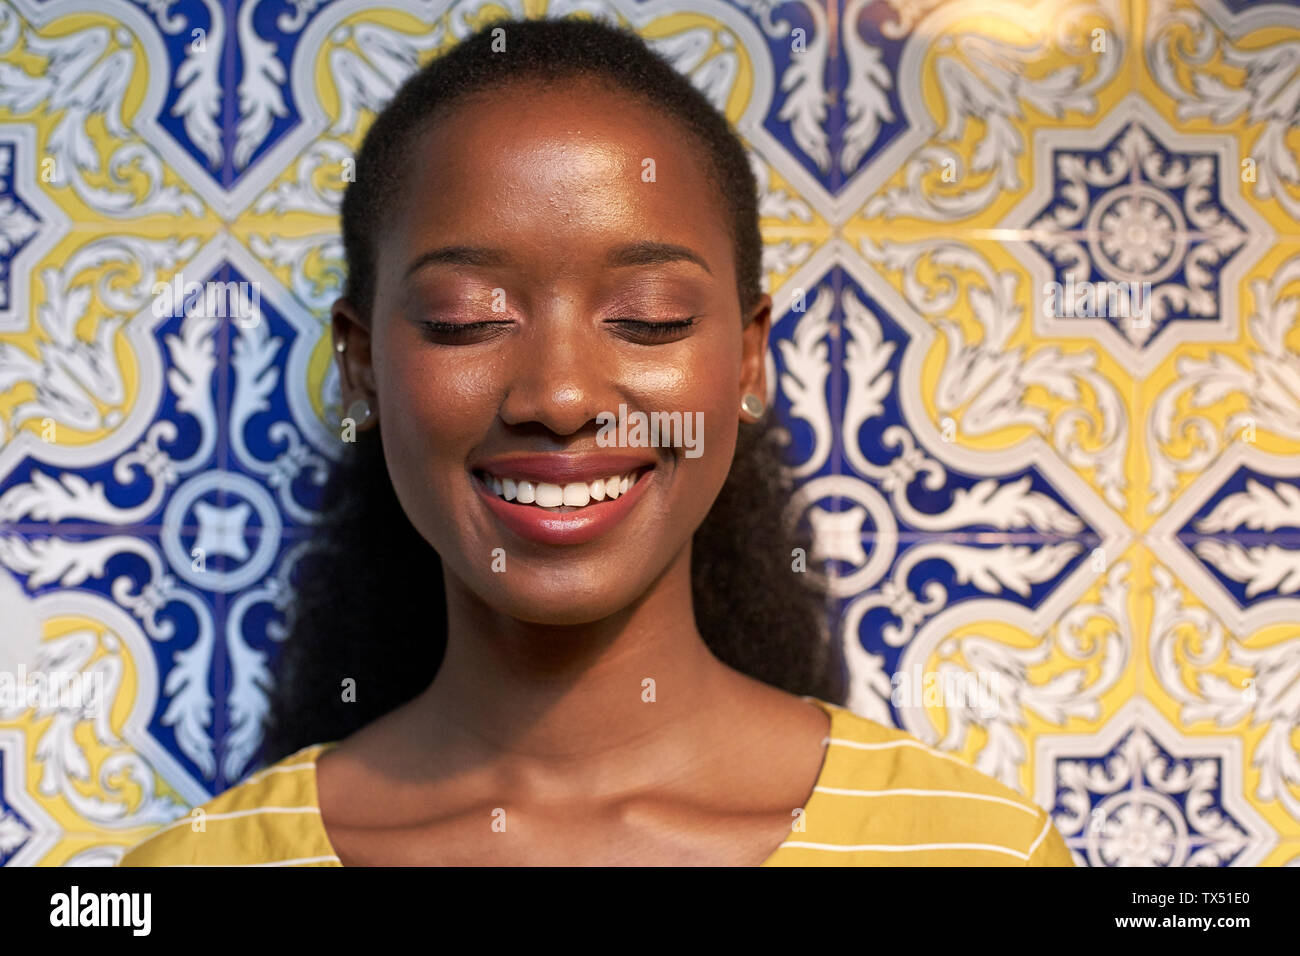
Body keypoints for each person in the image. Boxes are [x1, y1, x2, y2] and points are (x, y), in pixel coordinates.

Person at [120, 15, 1074, 866]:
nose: (561, 395)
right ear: (362, 366)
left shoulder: (976, 850)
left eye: (649, 317)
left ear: (746, 362)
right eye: (465, 317)